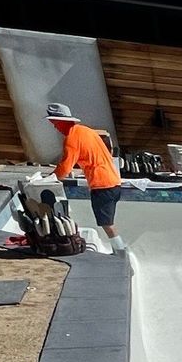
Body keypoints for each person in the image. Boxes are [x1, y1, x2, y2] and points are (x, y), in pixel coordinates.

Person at [43, 102, 125, 251]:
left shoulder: (71, 139)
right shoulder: (86, 131)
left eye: (55, 123)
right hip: (113, 181)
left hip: (102, 184)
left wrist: (47, 179)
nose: (55, 127)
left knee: (107, 223)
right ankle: (120, 250)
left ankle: (121, 251)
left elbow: (64, 168)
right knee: (107, 222)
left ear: (62, 122)